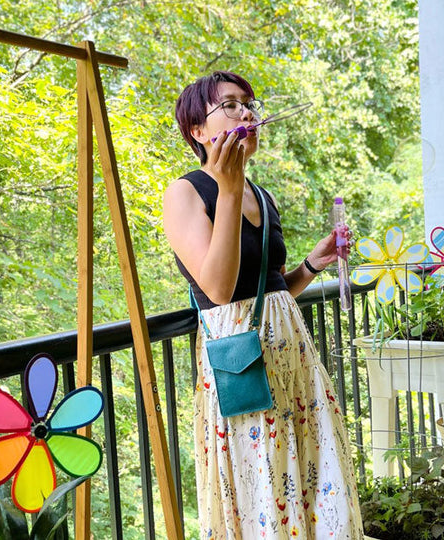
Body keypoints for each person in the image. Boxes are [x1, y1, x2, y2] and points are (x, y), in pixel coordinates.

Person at [163, 71, 363, 539]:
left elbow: (270, 290)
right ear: (197, 130)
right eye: (229, 105)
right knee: (263, 489)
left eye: (249, 103)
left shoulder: (262, 196)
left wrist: (313, 264)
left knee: (312, 483)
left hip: (292, 361)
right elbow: (218, 288)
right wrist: (228, 189)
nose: (247, 112)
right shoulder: (187, 193)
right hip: (243, 370)